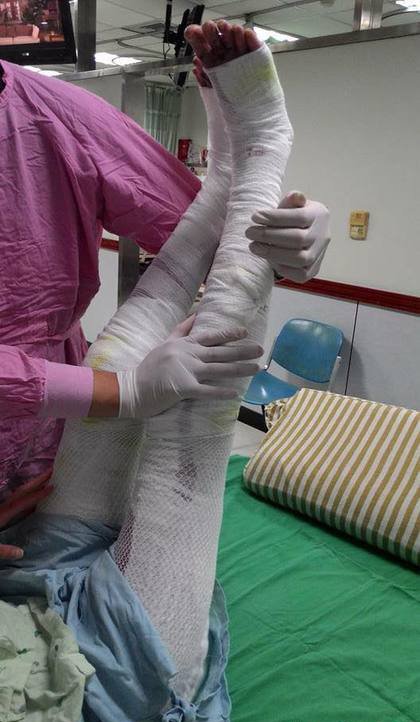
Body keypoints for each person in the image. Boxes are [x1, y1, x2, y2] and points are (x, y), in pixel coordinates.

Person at [0, 34, 330, 565]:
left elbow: (211, 234)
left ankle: (249, 151)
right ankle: (258, 145)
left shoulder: (56, 115)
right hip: (77, 406)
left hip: (48, 463)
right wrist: (124, 391)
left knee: (91, 568)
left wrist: (287, 239)